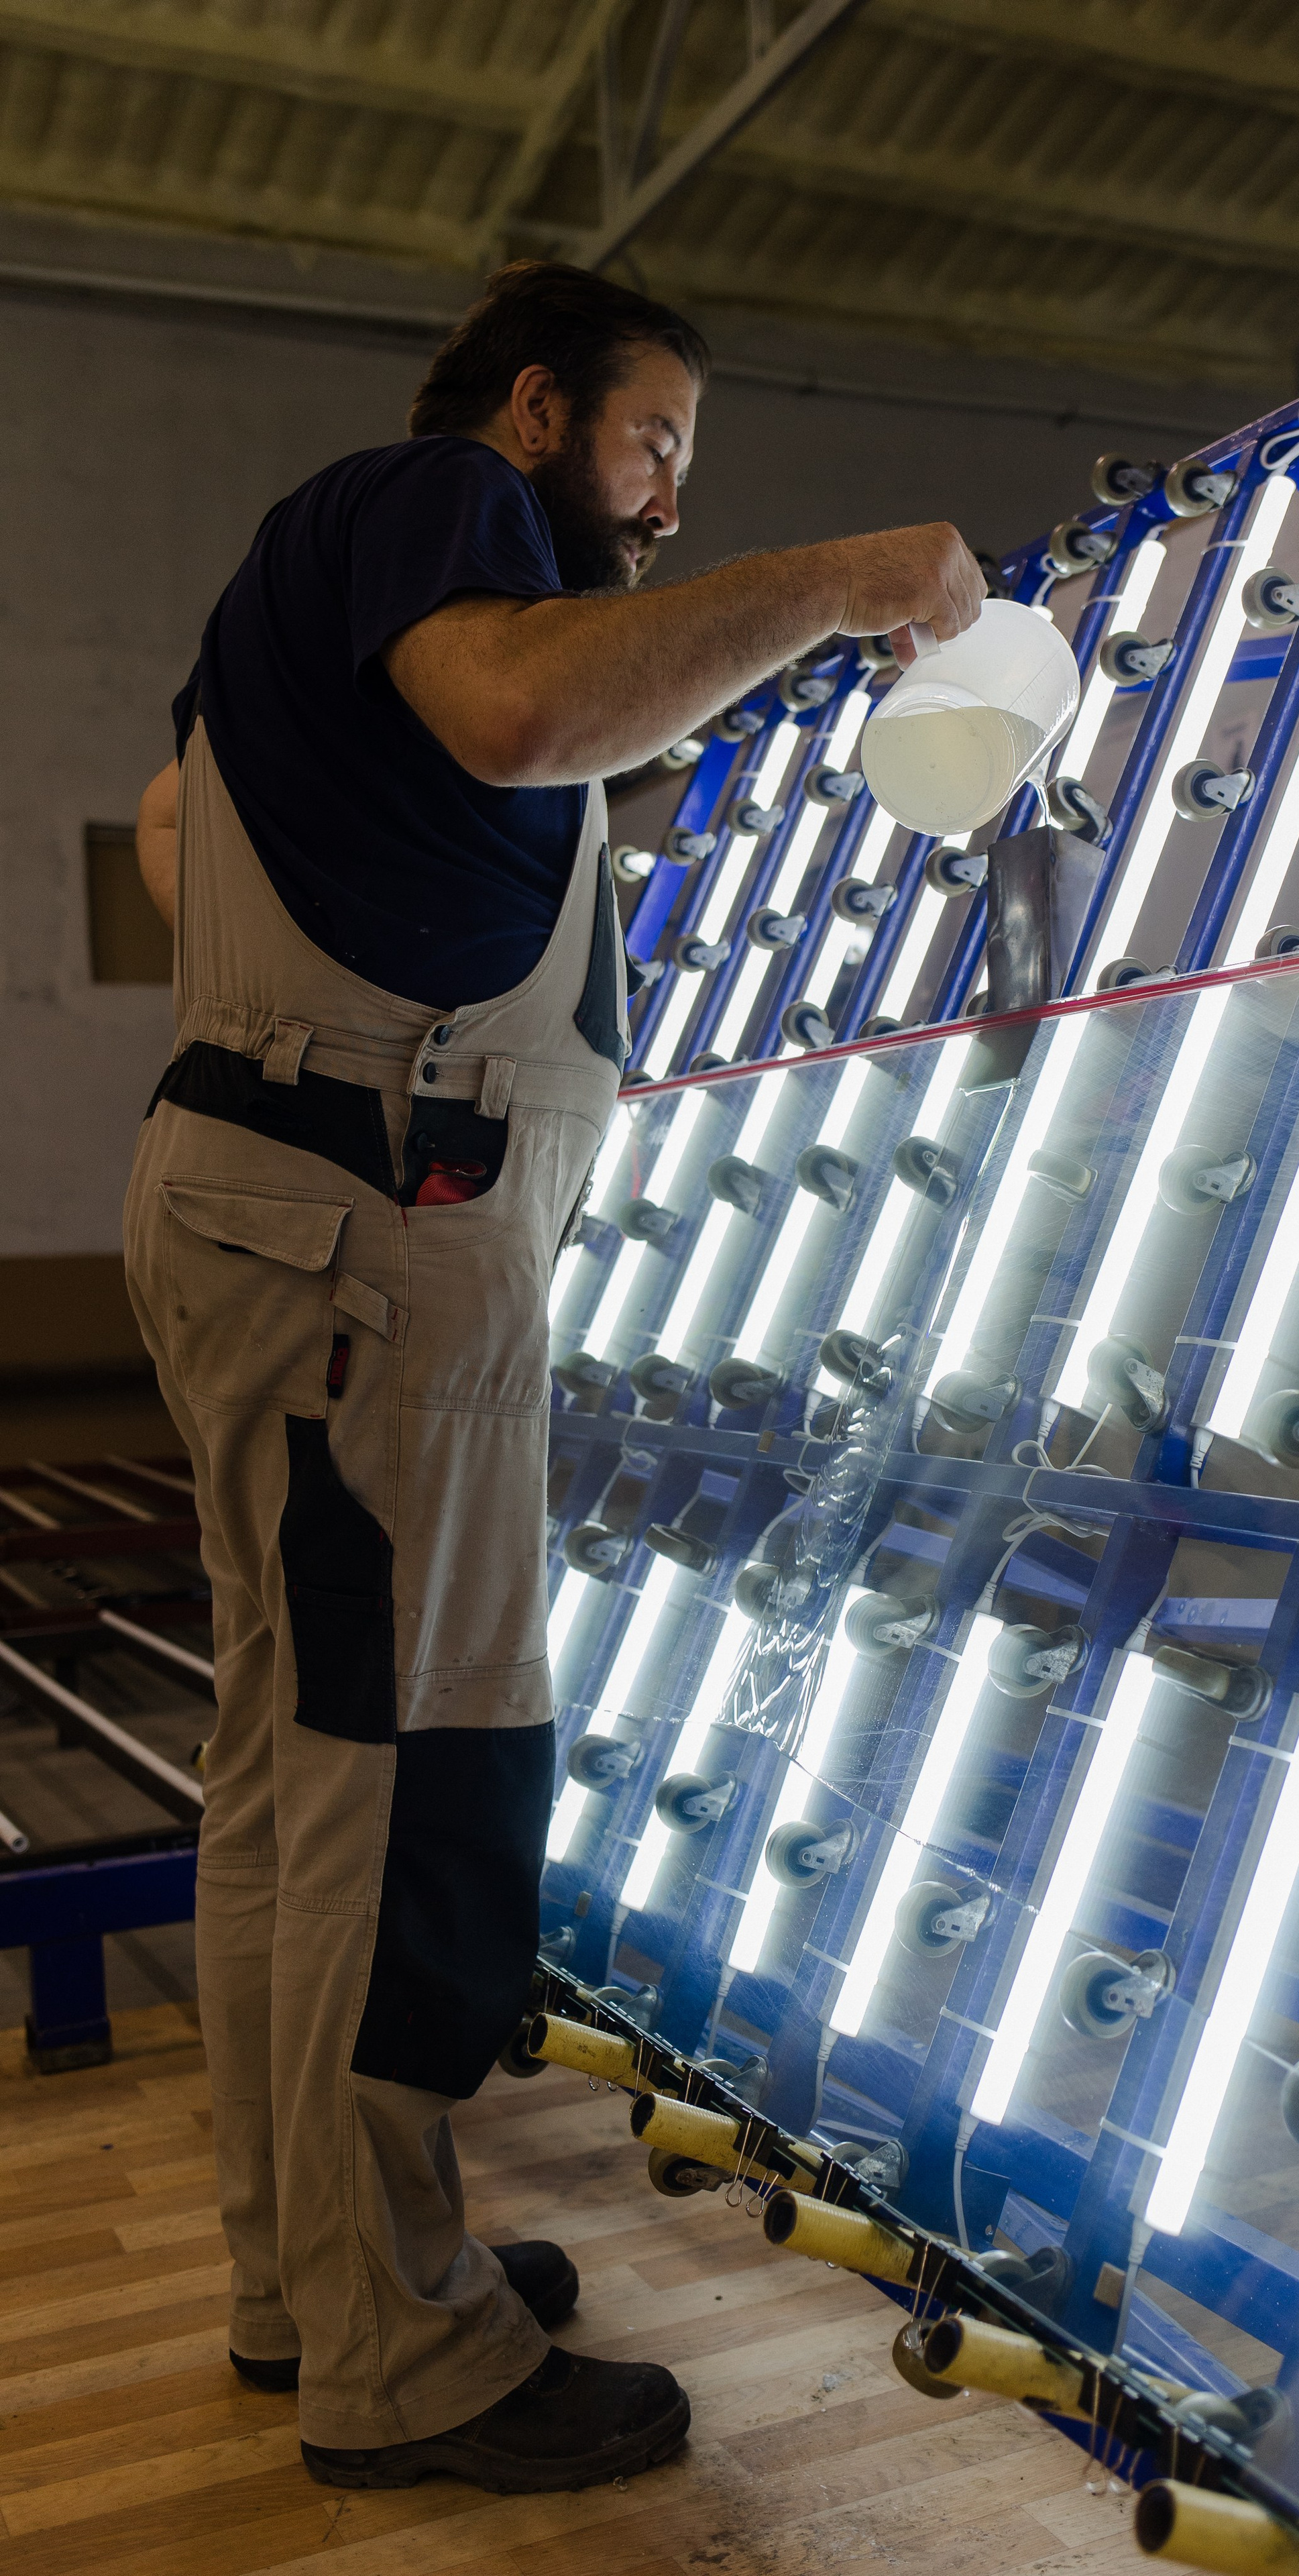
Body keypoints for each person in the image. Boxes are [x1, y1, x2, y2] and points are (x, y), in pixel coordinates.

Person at [123, 258, 983, 2497]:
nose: (677, 495)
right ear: (533, 414)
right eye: (656, 443)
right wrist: (854, 583)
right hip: (371, 1235)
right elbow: (513, 716)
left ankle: (306, 2283)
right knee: (404, 1792)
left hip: (274, 1204)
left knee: (292, 1777)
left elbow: (182, 823)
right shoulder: (435, 503)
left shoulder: (306, 613)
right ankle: (405, 2365)